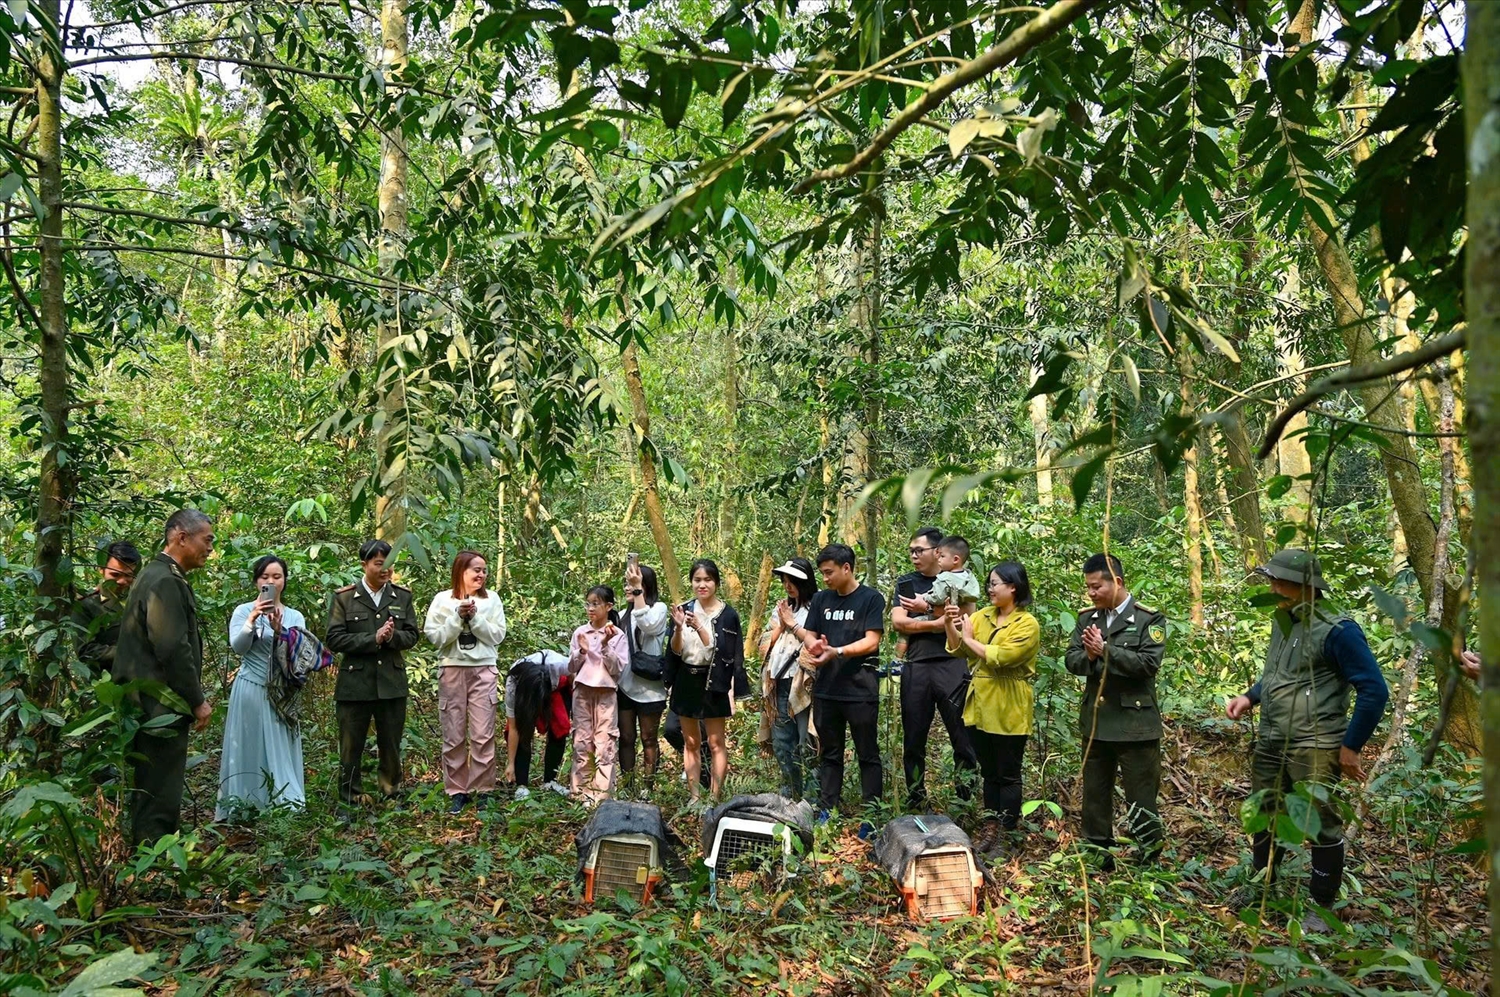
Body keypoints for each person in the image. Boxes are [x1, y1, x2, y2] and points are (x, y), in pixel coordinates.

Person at [1226, 548, 1390, 932]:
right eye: (1271, 579)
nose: (1272, 586)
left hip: (1314, 744)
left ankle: (1322, 906)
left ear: (1306, 587)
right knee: (1265, 813)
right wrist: (1250, 697)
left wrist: (1351, 746)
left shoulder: (1338, 630)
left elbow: (1374, 690)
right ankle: (1262, 883)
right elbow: (1279, 675)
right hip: (1271, 739)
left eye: (1280, 581)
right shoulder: (1283, 618)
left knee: (1320, 824)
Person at [114, 510, 215, 845]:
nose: (210, 549)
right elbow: (172, 648)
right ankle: (153, 856)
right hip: (160, 705)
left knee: (152, 781)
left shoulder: (156, 574)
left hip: (148, 701)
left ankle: (149, 850)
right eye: (207, 540)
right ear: (181, 537)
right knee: (160, 784)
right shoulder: (164, 580)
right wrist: (197, 700)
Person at [1064, 552, 1167, 867]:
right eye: (1088, 588)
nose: (1091, 593)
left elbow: (1148, 664)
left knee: (1141, 795)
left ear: (1117, 582)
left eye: (1097, 587)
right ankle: (1097, 854)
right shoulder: (1087, 618)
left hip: (1135, 723)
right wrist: (1092, 657)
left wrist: (1105, 651)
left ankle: (1148, 857)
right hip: (1096, 720)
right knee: (1095, 792)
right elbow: (1072, 660)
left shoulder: (1149, 618)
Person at [944, 561, 1040, 857]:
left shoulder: (1027, 624)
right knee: (988, 772)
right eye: (988, 583)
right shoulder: (982, 616)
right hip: (980, 702)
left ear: (1014, 587)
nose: (989, 589)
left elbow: (1003, 656)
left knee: (1007, 772)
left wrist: (970, 639)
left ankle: (1007, 833)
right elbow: (960, 649)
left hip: (1008, 701)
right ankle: (990, 829)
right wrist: (950, 624)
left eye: (995, 583)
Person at [793, 543, 886, 839]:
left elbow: (872, 641)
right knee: (830, 753)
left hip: (860, 690)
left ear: (847, 568)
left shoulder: (870, 599)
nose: (826, 579)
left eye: (829, 572)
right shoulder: (822, 600)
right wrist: (814, 644)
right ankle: (827, 809)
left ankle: (871, 815)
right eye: (822, 573)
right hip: (827, 690)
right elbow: (809, 632)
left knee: (867, 754)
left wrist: (839, 651)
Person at [326, 540, 420, 815]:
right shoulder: (344, 598)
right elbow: (334, 638)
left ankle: (391, 794)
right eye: (379, 563)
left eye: (389, 563)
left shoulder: (402, 596)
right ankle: (349, 799)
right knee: (350, 745)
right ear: (364, 565)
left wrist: (392, 637)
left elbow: (412, 635)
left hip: (391, 682)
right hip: (355, 684)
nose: (385, 569)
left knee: (390, 742)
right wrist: (372, 638)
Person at [893, 527, 979, 809]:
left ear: (939, 553)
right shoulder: (906, 582)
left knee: (962, 734)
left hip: (953, 664)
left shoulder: (961, 580)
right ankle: (916, 798)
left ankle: (965, 799)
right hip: (917, 665)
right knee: (914, 736)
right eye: (911, 551)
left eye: (920, 551)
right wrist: (938, 621)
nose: (914, 556)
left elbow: (969, 616)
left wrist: (923, 611)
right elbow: (899, 622)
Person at [218, 555, 307, 819]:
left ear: (284, 581)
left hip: (282, 693)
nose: (270, 581)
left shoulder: (294, 615)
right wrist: (253, 619)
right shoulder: (243, 611)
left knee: (280, 745)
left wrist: (280, 632)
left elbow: (299, 655)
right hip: (249, 688)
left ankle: (284, 806)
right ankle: (244, 805)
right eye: (265, 577)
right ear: (257, 581)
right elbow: (238, 647)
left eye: (277, 577)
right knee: (247, 744)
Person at [424, 551, 508, 813]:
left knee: (483, 733)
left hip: (483, 669)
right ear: (461, 571)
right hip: (452, 670)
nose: (481, 575)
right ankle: (456, 790)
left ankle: (483, 789)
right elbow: (435, 637)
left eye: (484, 570)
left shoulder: (492, 599)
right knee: (454, 733)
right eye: (476, 570)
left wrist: (475, 618)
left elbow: (497, 636)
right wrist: (457, 617)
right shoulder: (442, 600)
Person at [666, 559, 749, 804]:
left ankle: (714, 796)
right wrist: (680, 628)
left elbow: (721, 649)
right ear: (691, 582)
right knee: (690, 741)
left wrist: (700, 625)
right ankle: (694, 797)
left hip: (714, 681)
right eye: (697, 580)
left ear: (716, 583)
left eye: (707, 580)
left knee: (715, 742)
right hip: (686, 679)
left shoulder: (728, 614)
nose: (702, 585)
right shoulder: (682, 610)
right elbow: (675, 651)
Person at [761, 557, 819, 801]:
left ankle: (812, 799)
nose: (788, 586)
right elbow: (764, 643)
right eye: (785, 581)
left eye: (793, 581)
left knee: (808, 741)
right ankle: (789, 794)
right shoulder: (782, 608)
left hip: (804, 684)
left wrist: (792, 624)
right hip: (779, 681)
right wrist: (782, 623)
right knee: (783, 742)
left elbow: (816, 644)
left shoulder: (818, 606)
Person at [568, 585, 627, 803]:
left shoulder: (617, 635)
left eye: (596, 604)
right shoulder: (580, 632)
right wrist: (582, 650)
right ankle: (580, 794)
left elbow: (618, 670)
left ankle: (602, 797)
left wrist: (604, 645)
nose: (591, 608)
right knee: (582, 741)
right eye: (588, 603)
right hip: (582, 692)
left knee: (605, 743)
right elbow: (572, 667)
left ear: (609, 606)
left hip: (605, 694)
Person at [618, 562, 669, 793]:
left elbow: (648, 625)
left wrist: (638, 592)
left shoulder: (659, 609)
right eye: (627, 584)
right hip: (625, 687)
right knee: (626, 738)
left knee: (649, 739)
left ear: (645, 585)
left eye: (634, 584)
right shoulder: (620, 616)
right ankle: (628, 786)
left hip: (651, 689)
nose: (628, 588)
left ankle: (648, 788)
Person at [504, 649, 572, 797]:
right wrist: (510, 764)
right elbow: (514, 728)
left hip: (555, 691)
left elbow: (576, 670)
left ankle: (550, 781)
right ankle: (521, 785)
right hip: (526, 695)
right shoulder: (512, 684)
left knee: (560, 727)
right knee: (523, 729)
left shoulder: (558, 663)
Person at [74, 540, 142, 678]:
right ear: (101, 570)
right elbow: (85, 650)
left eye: (128, 575)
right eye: (115, 575)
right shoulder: (87, 603)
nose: (122, 581)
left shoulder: (141, 598)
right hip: (109, 684)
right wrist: (132, 654)